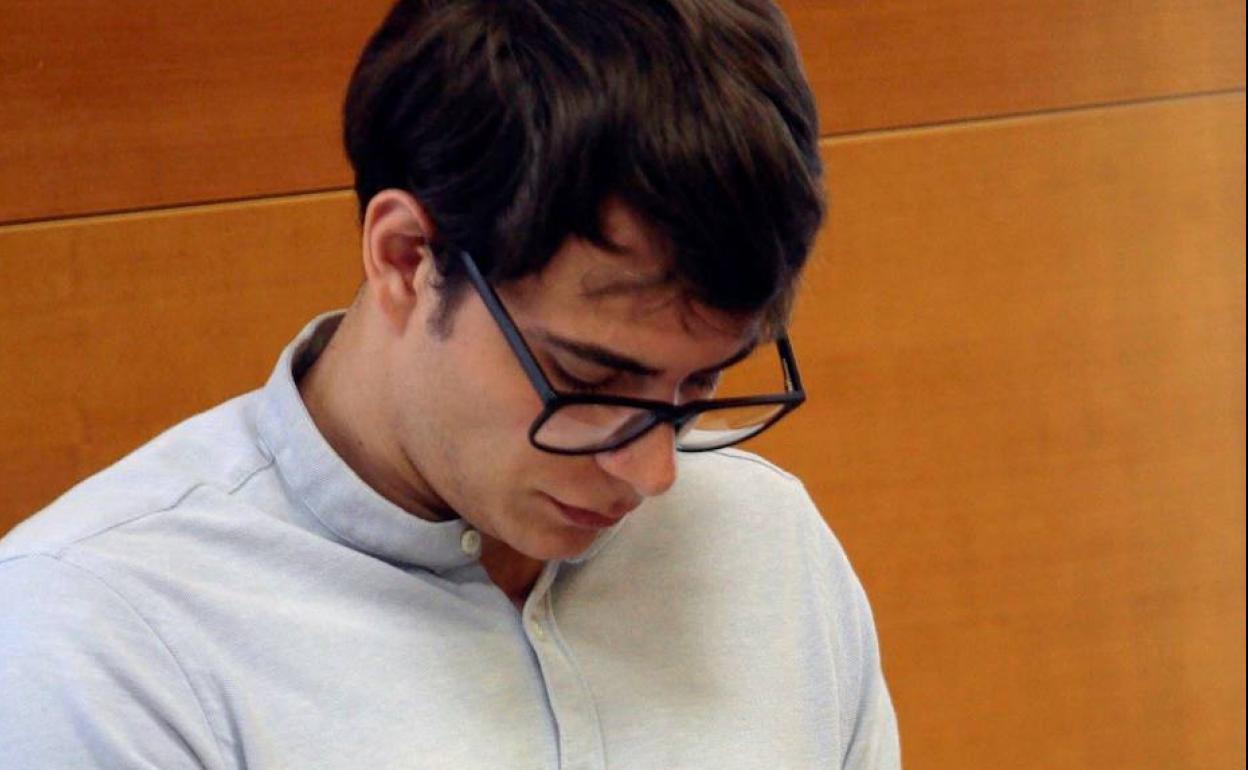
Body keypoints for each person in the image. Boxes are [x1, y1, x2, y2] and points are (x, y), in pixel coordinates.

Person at [0, 0, 900, 767]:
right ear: (405, 258)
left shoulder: (769, 544)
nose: (654, 472)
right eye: (590, 379)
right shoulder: (96, 641)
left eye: (700, 384)